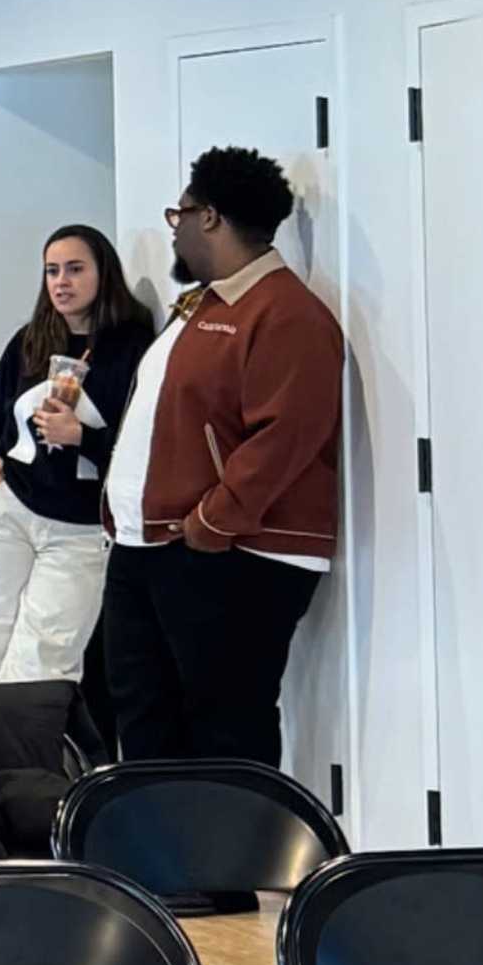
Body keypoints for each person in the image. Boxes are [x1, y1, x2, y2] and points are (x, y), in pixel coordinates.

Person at [95, 146, 346, 766]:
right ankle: (155, 852)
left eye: (178, 214)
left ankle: (237, 858)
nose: (172, 228)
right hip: (152, 546)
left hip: (230, 553)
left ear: (208, 217)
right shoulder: (203, 305)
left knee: (224, 722)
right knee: (143, 712)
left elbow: (287, 434)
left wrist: (214, 520)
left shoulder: (287, 314)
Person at [0, 220, 154, 684]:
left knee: (43, 661)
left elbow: (145, 448)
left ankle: (26, 755)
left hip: (80, 529)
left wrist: (82, 436)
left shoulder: (134, 349)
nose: (61, 282)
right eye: (52, 271)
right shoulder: (30, 340)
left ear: (103, 273)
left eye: (75, 269)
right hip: (8, 510)